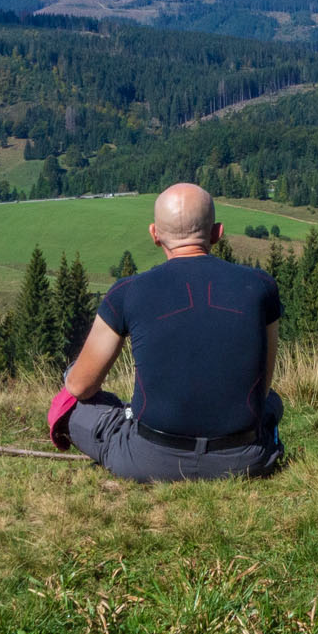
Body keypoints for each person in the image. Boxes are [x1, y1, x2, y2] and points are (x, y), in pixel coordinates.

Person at [47, 182, 285, 482]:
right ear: (217, 233)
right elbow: (262, 387)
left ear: (154, 235)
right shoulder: (261, 286)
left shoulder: (127, 292)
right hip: (246, 460)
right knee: (273, 402)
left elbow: (81, 388)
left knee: (74, 400)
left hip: (149, 460)